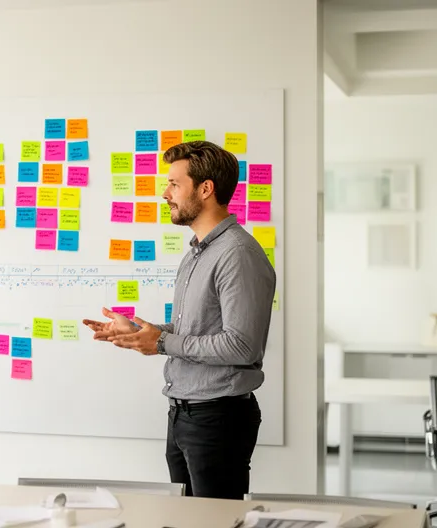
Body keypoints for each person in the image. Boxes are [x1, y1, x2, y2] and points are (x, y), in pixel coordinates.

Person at [83, 141, 275, 500]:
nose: (164, 193)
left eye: (174, 183)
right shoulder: (197, 253)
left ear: (205, 189)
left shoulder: (237, 254)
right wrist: (142, 332)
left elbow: (241, 344)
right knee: (185, 517)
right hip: (184, 413)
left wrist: (160, 342)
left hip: (217, 417)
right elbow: (196, 331)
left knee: (214, 524)